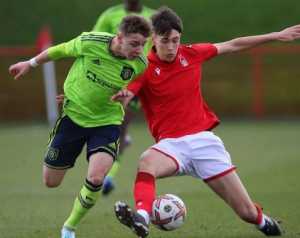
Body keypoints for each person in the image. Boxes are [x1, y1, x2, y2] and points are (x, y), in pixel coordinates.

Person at [112, 7, 300, 238]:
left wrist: (275, 35)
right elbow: (127, 94)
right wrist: (122, 97)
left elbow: (233, 44)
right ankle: (142, 217)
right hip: (171, 147)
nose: (171, 47)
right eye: (165, 41)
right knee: (147, 161)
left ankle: (263, 222)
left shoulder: (192, 54)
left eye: (175, 40)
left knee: (246, 212)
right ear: (153, 39)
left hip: (204, 143)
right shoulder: (142, 68)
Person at [9, 15, 151, 238]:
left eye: (143, 44)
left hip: (107, 122)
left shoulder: (140, 64)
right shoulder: (91, 42)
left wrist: (125, 94)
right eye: (134, 44)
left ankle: (69, 228)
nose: (139, 50)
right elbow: (59, 51)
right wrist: (30, 63)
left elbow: (131, 87)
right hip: (73, 118)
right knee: (51, 181)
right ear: (119, 37)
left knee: (96, 178)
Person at [92, 0, 156, 195]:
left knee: (120, 127)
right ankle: (117, 150)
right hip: (112, 81)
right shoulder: (109, 15)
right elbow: (95, 42)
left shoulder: (153, 17)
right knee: (105, 128)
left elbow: (161, 47)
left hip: (137, 82)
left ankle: (109, 176)